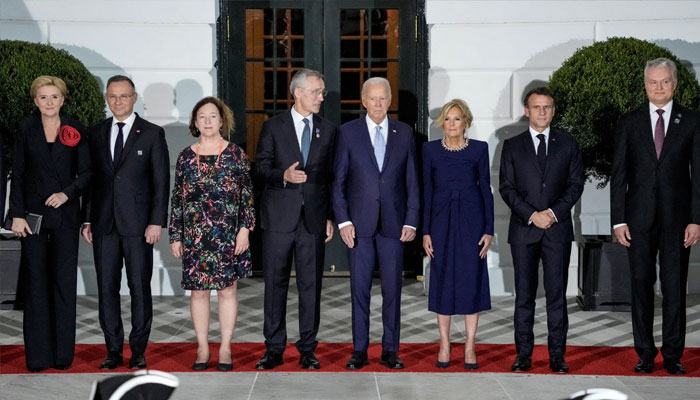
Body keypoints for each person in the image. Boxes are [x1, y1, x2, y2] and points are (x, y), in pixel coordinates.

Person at [611, 57, 700, 375]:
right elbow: (619, 174)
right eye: (653, 82)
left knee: (675, 288)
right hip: (638, 220)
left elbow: (699, 174)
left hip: (678, 222)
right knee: (640, 286)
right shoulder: (630, 121)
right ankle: (645, 354)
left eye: (664, 81)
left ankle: (673, 355)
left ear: (674, 83)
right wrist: (618, 219)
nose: (658, 87)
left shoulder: (691, 121)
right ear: (645, 84)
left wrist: (696, 218)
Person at [81, 75, 170, 370]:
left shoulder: (152, 134)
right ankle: (113, 351)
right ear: (107, 99)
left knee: (139, 288)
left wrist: (156, 222)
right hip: (103, 225)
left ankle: (139, 351)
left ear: (134, 97)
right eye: (112, 97)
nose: (117, 102)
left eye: (123, 96)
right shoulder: (96, 133)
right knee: (106, 288)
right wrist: (86, 220)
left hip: (139, 226)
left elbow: (160, 182)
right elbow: (91, 181)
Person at [332, 77, 420, 370]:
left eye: (383, 98)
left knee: (393, 290)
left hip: (395, 226)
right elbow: (339, 181)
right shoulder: (347, 133)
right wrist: (343, 220)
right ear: (363, 100)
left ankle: (390, 350)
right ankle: (359, 350)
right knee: (359, 289)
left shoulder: (405, 133)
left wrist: (412, 220)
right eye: (373, 99)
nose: (379, 104)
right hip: (359, 226)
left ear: (390, 100)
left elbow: (412, 181)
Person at [254, 69, 336, 370]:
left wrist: (329, 217)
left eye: (322, 92)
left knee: (310, 286)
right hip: (278, 219)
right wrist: (283, 176)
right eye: (316, 91)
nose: (321, 97)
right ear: (297, 92)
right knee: (275, 286)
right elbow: (259, 168)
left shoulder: (327, 130)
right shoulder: (273, 127)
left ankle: (307, 349)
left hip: (312, 220)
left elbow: (331, 179)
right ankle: (274, 349)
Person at [8, 75, 92, 372]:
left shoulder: (75, 128)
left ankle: (62, 356)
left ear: (62, 99)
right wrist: (16, 214)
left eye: (54, 97)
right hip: (32, 218)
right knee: (35, 284)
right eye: (43, 97)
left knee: (63, 283)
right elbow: (17, 174)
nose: (49, 102)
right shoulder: (25, 129)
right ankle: (38, 357)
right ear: (35, 101)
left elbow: (86, 174)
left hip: (66, 217)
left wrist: (65, 193)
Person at [499, 86, 584, 374]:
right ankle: (523, 354)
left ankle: (557, 356)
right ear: (527, 110)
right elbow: (506, 189)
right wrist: (532, 215)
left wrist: (552, 213)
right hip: (524, 231)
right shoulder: (512, 145)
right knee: (524, 296)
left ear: (554, 110)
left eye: (547, 107)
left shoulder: (568, 143)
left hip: (557, 230)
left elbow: (575, 185)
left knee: (556, 296)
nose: (542, 112)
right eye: (537, 107)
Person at [169, 97, 255, 371]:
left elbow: (247, 196)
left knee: (228, 290)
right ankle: (203, 348)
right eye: (202, 116)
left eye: (213, 116)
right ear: (195, 122)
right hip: (194, 237)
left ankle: (226, 347)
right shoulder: (185, 156)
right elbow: (177, 199)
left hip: (228, 235)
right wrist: (176, 235)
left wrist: (245, 231)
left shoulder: (235, 154)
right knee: (198, 294)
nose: (207, 121)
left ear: (222, 120)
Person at [422, 99, 493, 370]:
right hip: (440, 220)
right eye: (448, 119)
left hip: (472, 220)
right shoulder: (429, 150)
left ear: (466, 122)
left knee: (470, 279)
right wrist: (426, 230)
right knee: (441, 279)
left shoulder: (479, 149)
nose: (452, 124)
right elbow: (427, 190)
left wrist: (489, 230)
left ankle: (470, 345)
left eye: (457, 119)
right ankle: (444, 343)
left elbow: (486, 190)